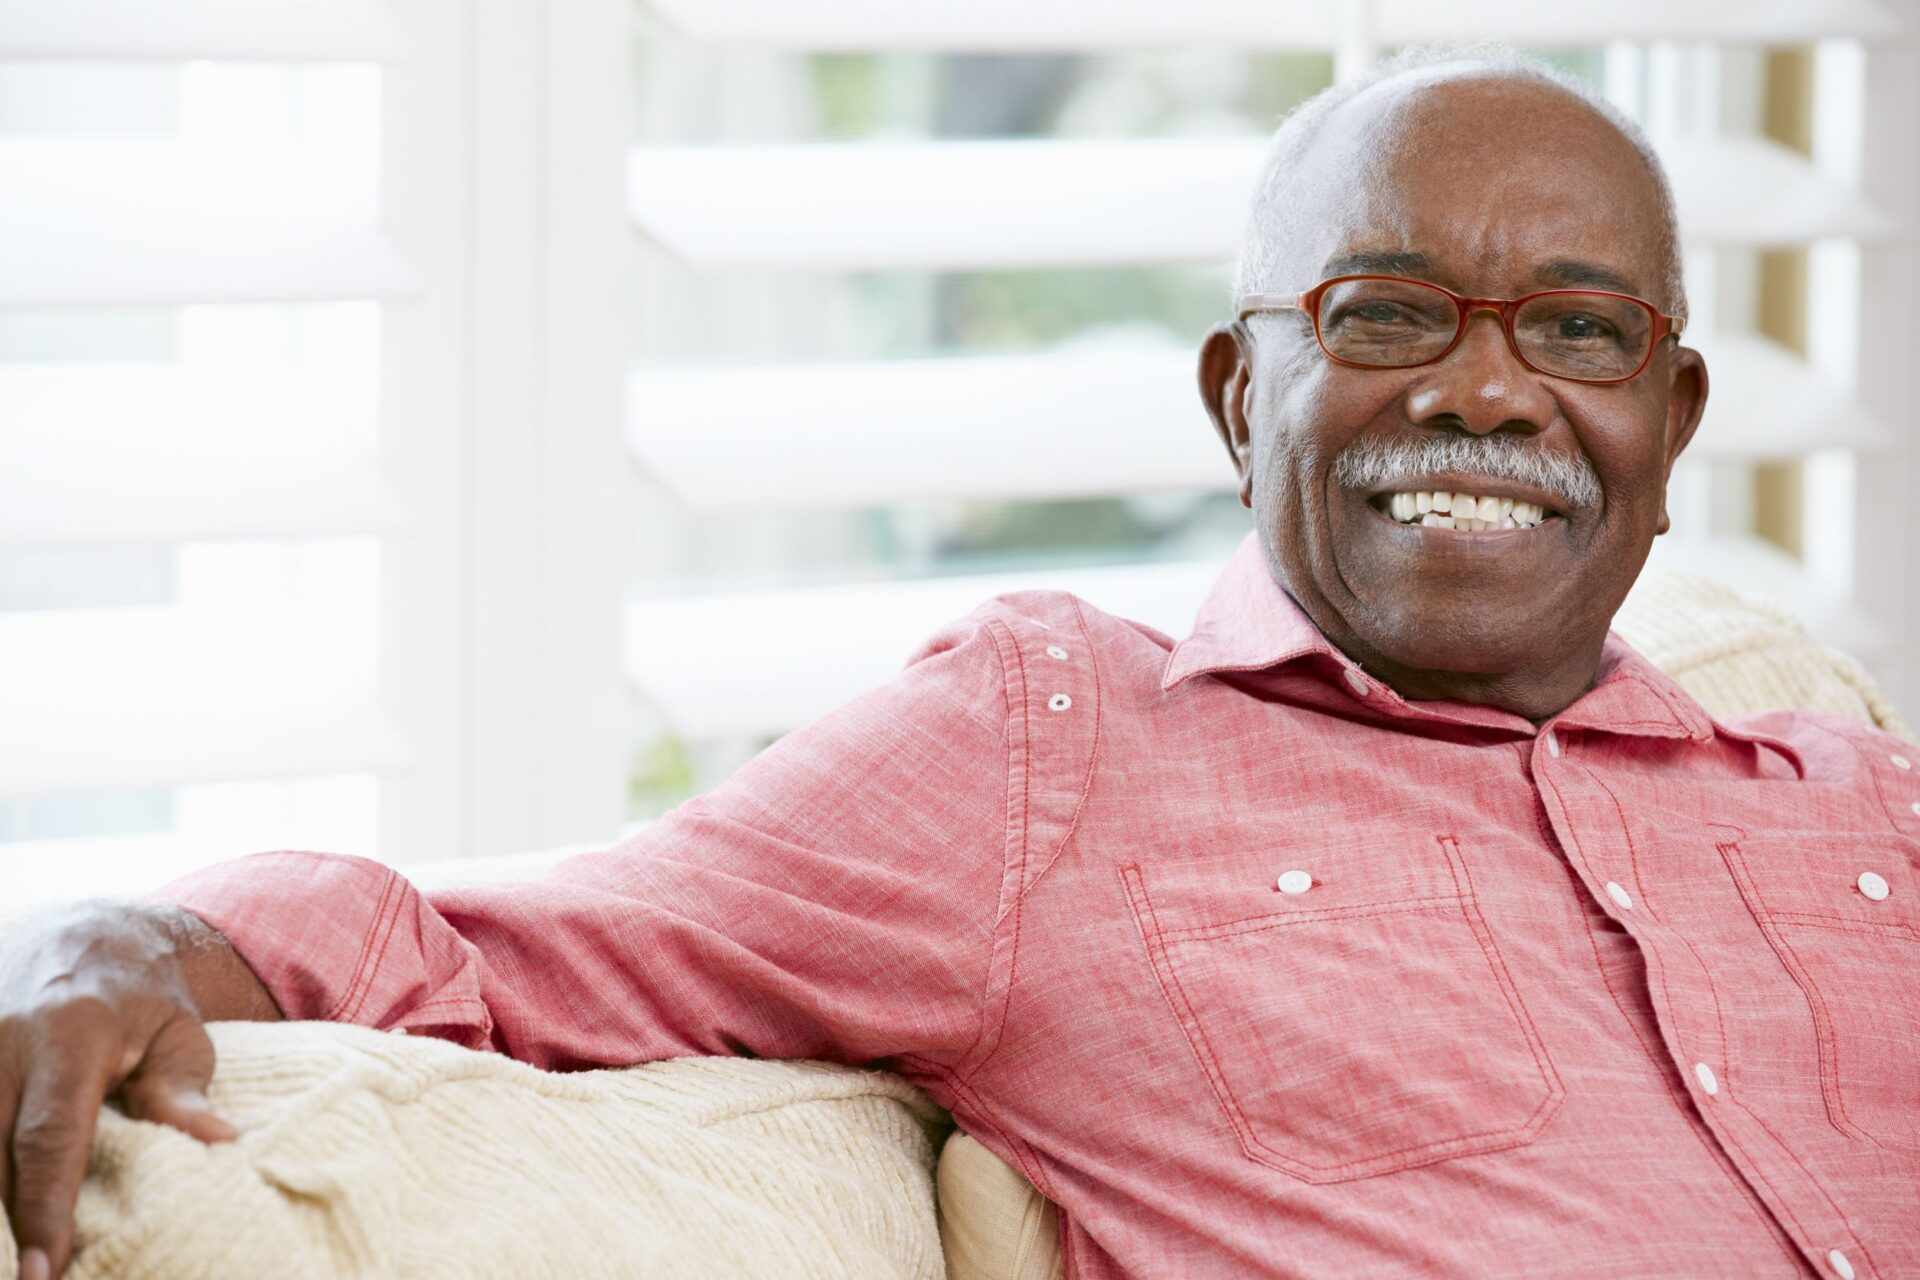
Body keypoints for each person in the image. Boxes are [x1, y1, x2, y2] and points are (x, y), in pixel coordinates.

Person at [4, 44, 1916, 1280]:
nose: (1488, 387)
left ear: (1666, 422)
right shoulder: (1053, 747)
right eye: (1389, 311)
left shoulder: (1865, 806)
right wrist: (118, 942)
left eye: (1576, 335)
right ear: (1245, 399)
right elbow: (503, 948)